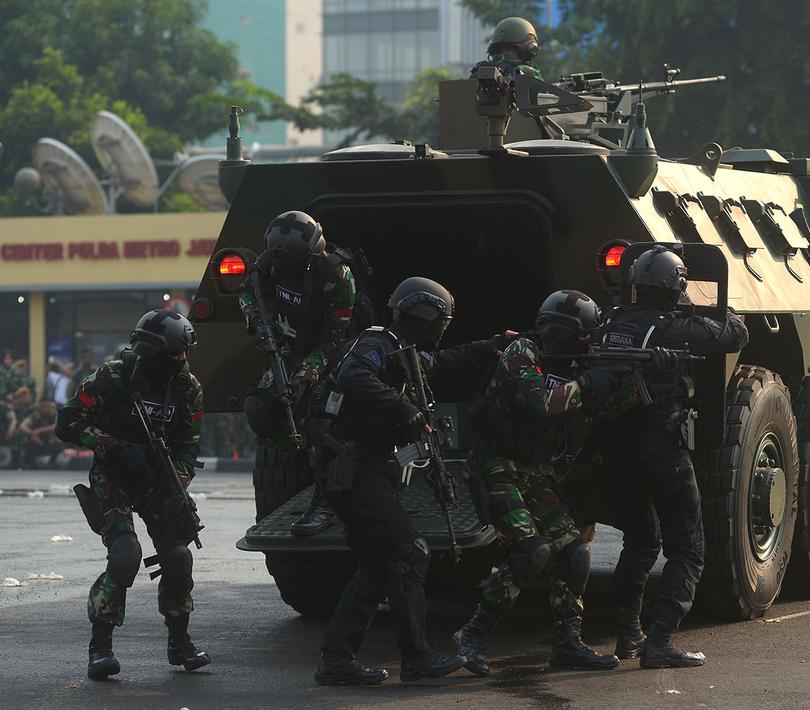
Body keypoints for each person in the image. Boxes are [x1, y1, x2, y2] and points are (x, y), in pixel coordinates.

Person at [310, 276, 509, 686]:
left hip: (365, 468)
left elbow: (446, 362)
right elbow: (354, 377)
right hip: (355, 470)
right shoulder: (377, 343)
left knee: (376, 565)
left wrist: (493, 345)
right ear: (428, 315)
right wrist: (407, 410)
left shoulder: (404, 351)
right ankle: (416, 657)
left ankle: (336, 660)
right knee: (409, 550)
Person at [454, 290, 628, 675]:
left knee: (575, 551)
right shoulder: (523, 353)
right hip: (495, 466)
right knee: (530, 552)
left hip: (531, 470)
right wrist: (586, 384)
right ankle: (473, 635)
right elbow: (536, 403)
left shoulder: (571, 361)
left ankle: (567, 642)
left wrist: (614, 380)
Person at [598, 246, 749, 668]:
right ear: (674, 286)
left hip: (615, 450)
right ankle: (659, 640)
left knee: (641, 540)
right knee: (688, 548)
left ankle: (629, 634)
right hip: (662, 449)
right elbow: (735, 333)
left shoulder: (609, 323)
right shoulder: (672, 328)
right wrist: (713, 308)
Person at [55, 309, 209, 681]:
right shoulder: (113, 377)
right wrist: (112, 445)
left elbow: (188, 448)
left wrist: (179, 486)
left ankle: (180, 642)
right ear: (151, 349)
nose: (182, 360)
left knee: (178, 557)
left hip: (158, 480)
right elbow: (68, 422)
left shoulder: (188, 389)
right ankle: (100, 649)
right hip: (115, 474)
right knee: (126, 555)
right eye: (175, 353)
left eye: (185, 353)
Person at [239, 210, 357, 537]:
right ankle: (304, 453)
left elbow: (335, 339)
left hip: (333, 356)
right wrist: (256, 319)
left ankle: (326, 495)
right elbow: (248, 288)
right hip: (288, 348)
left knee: (323, 422)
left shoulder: (337, 276)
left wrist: (307, 375)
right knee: (259, 408)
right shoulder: (274, 258)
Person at [471, 16, 543, 80]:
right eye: (502, 49)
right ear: (530, 49)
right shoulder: (530, 76)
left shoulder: (482, 71)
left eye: (509, 49)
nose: (505, 53)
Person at [19, 398, 63, 468]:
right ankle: (30, 462)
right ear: (39, 406)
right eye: (43, 406)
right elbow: (22, 426)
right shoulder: (35, 415)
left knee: (57, 441)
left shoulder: (55, 414)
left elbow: (56, 426)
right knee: (27, 441)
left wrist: (39, 431)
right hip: (38, 438)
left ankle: (53, 461)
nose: (45, 408)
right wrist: (32, 433)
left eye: (47, 406)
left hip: (51, 439)